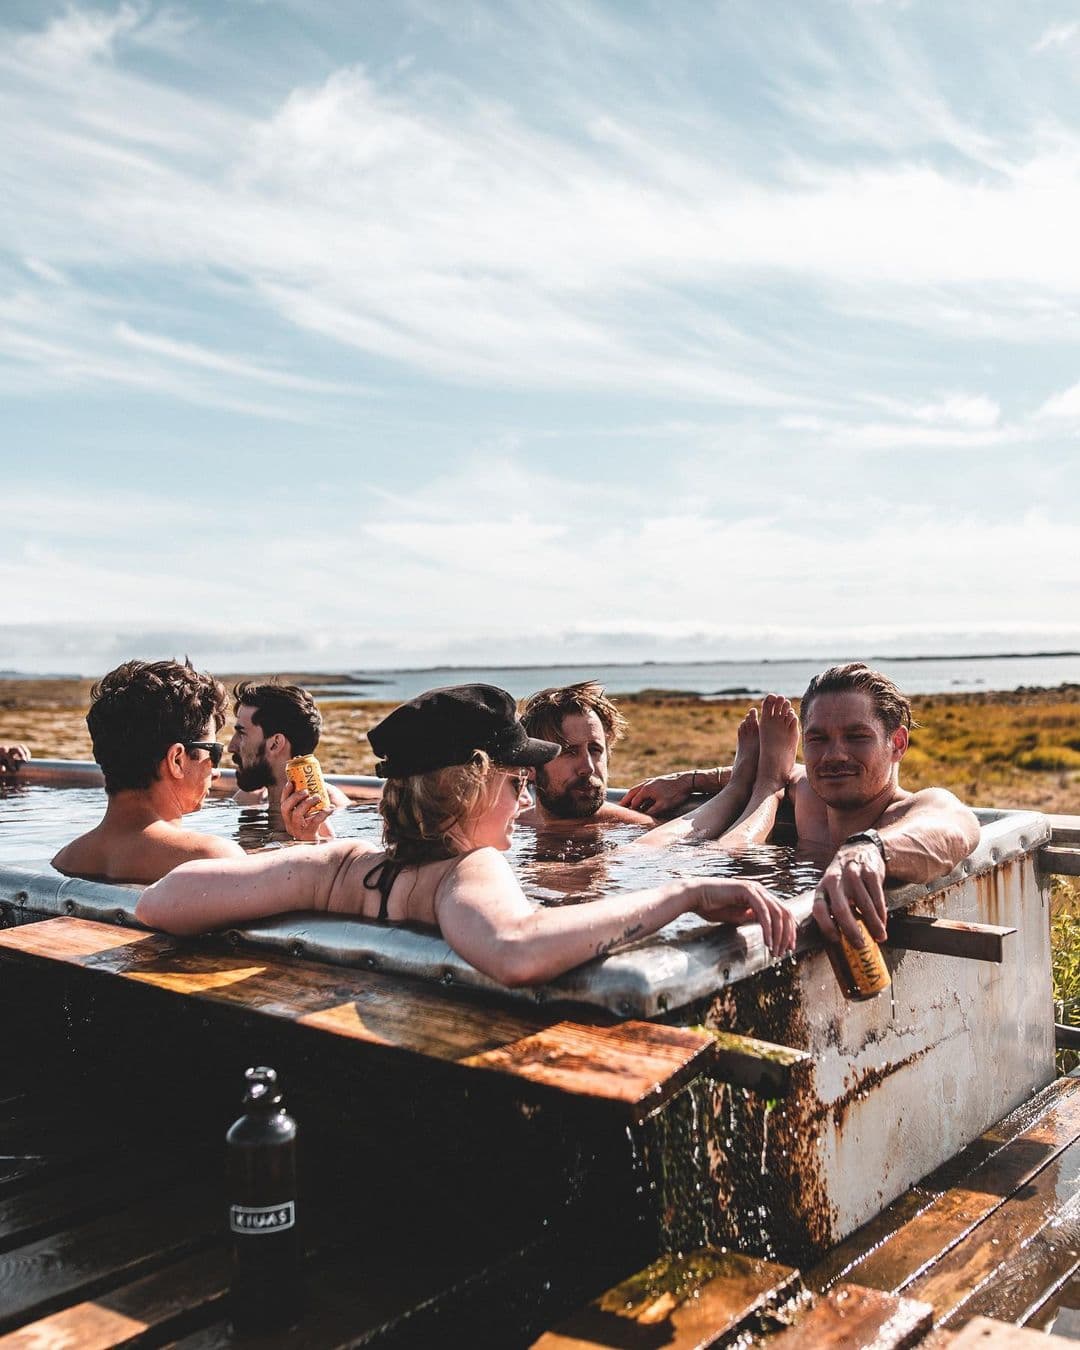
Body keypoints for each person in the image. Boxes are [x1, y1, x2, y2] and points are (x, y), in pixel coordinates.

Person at [135, 684, 797, 987]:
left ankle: (749, 781)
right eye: (514, 781)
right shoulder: (470, 869)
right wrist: (684, 894)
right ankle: (758, 783)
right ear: (471, 785)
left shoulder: (341, 863)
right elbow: (515, 949)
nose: (522, 798)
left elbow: (161, 901)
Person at [620, 664, 980, 947]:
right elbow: (779, 770)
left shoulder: (910, 810)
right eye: (817, 739)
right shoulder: (809, 792)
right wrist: (687, 780)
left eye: (857, 737)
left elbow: (956, 825)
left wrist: (867, 850)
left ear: (897, 744)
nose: (834, 755)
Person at [52, 660, 243, 884]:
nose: (215, 772)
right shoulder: (212, 859)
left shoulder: (66, 859)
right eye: (214, 752)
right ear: (177, 759)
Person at [515, 682, 655, 829]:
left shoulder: (640, 829)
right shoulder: (512, 827)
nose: (588, 768)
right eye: (570, 752)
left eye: (594, 750)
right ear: (530, 767)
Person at [229, 681, 350, 817]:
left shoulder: (330, 809)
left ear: (275, 744)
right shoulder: (248, 800)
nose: (230, 747)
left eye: (241, 734)